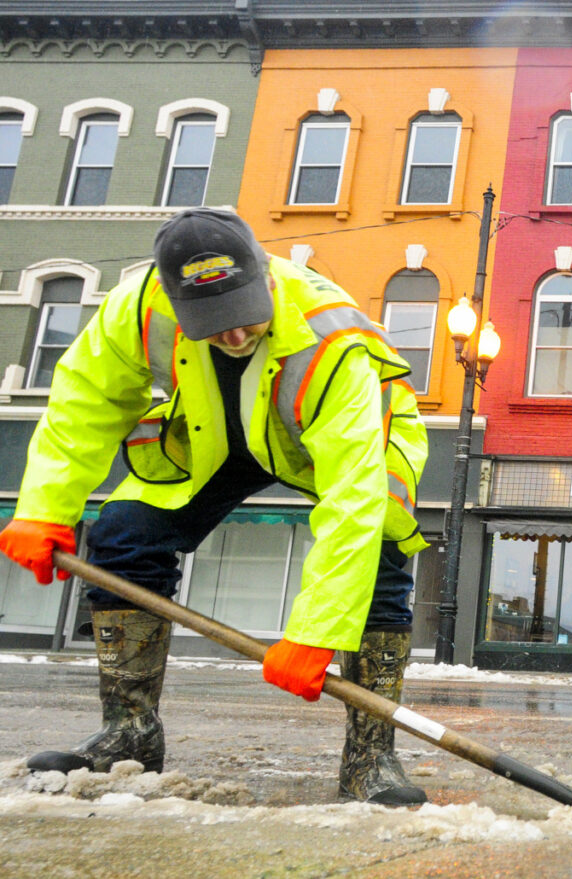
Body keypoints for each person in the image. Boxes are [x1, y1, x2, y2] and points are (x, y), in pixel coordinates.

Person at [0, 207, 432, 807]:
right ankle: (130, 735)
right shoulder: (137, 307)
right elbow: (84, 403)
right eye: (211, 322)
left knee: (382, 551)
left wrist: (315, 633)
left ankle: (371, 757)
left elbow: (352, 497)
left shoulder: (332, 338)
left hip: (339, 440)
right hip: (216, 434)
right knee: (126, 532)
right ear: (171, 296)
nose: (232, 335)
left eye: (241, 314)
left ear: (266, 276)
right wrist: (43, 507)